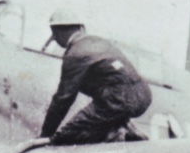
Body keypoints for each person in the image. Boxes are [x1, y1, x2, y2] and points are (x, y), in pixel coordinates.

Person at [38, 9, 153, 145]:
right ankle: (123, 130)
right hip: (143, 95)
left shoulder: (74, 53)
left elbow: (63, 99)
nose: (53, 38)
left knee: (65, 138)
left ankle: (124, 133)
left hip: (118, 99)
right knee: (101, 123)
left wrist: (45, 134)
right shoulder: (99, 42)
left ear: (57, 31)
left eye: (53, 33)